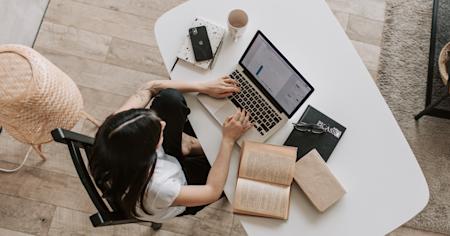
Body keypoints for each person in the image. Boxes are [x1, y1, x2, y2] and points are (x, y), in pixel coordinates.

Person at [88, 76, 252, 223]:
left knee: (169, 98)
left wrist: (203, 86)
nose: (163, 124)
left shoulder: (115, 128)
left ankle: (188, 147)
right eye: (158, 130)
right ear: (148, 151)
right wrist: (228, 140)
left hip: (158, 164)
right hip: (179, 187)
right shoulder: (160, 188)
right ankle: (193, 147)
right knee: (239, 167)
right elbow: (211, 191)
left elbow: (150, 86)